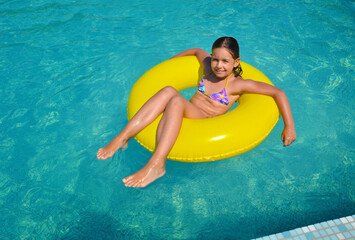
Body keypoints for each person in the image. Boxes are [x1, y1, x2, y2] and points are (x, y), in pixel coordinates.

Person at [97, 37, 297, 188]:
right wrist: (167, 66)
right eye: (215, 59)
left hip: (204, 120)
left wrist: (289, 126)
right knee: (168, 91)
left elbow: (278, 92)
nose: (219, 65)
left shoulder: (238, 84)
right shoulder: (207, 67)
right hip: (187, 112)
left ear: (236, 62)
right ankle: (122, 138)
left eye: (225, 61)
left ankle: (157, 164)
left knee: (173, 97)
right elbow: (195, 50)